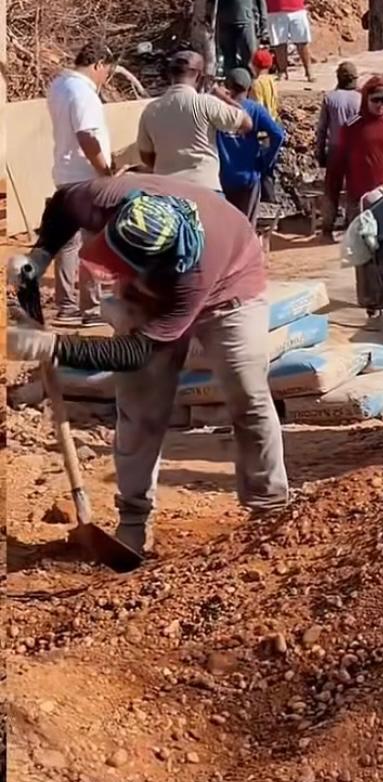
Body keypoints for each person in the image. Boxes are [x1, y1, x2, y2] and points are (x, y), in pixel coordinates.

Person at [7, 178, 291, 556]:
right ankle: (134, 523)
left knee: (248, 395)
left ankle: (268, 512)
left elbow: (136, 352)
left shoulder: (190, 277)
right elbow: (62, 203)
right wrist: (39, 255)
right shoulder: (108, 198)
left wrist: (56, 346)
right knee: (139, 407)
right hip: (157, 282)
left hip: (231, 291)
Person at [45, 40, 116, 327]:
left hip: (64, 175)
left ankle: (66, 305)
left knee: (69, 245)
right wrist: (105, 170)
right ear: (98, 64)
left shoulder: (59, 86)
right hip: (86, 177)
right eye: (106, 71)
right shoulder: (83, 93)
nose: (105, 78)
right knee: (93, 244)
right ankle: (91, 309)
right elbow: (87, 136)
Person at [137, 51, 253, 193]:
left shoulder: (151, 110)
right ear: (200, 77)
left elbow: (145, 156)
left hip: (166, 191)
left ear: (170, 75)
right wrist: (225, 97)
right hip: (205, 187)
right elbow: (246, 123)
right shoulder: (206, 103)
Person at [322, 74, 383, 238]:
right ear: (366, 99)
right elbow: (337, 169)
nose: (381, 104)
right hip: (359, 202)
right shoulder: (350, 127)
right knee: (362, 252)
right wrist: (329, 217)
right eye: (376, 100)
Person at [217, 68, 286, 226]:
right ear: (249, 88)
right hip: (248, 176)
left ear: (228, 86)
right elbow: (278, 135)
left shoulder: (217, 109)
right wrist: (265, 161)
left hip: (222, 176)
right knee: (247, 226)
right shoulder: (255, 109)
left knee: (225, 225)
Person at [315, 61, 362, 169]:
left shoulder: (330, 98)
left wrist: (320, 154)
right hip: (357, 150)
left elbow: (322, 129)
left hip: (335, 151)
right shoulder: (361, 99)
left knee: (334, 184)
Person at [250, 49, 280, 118]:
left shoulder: (256, 84)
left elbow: (256, 106)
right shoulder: (273, 80)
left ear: (254, 65)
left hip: (262, 121)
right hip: (273, 117)